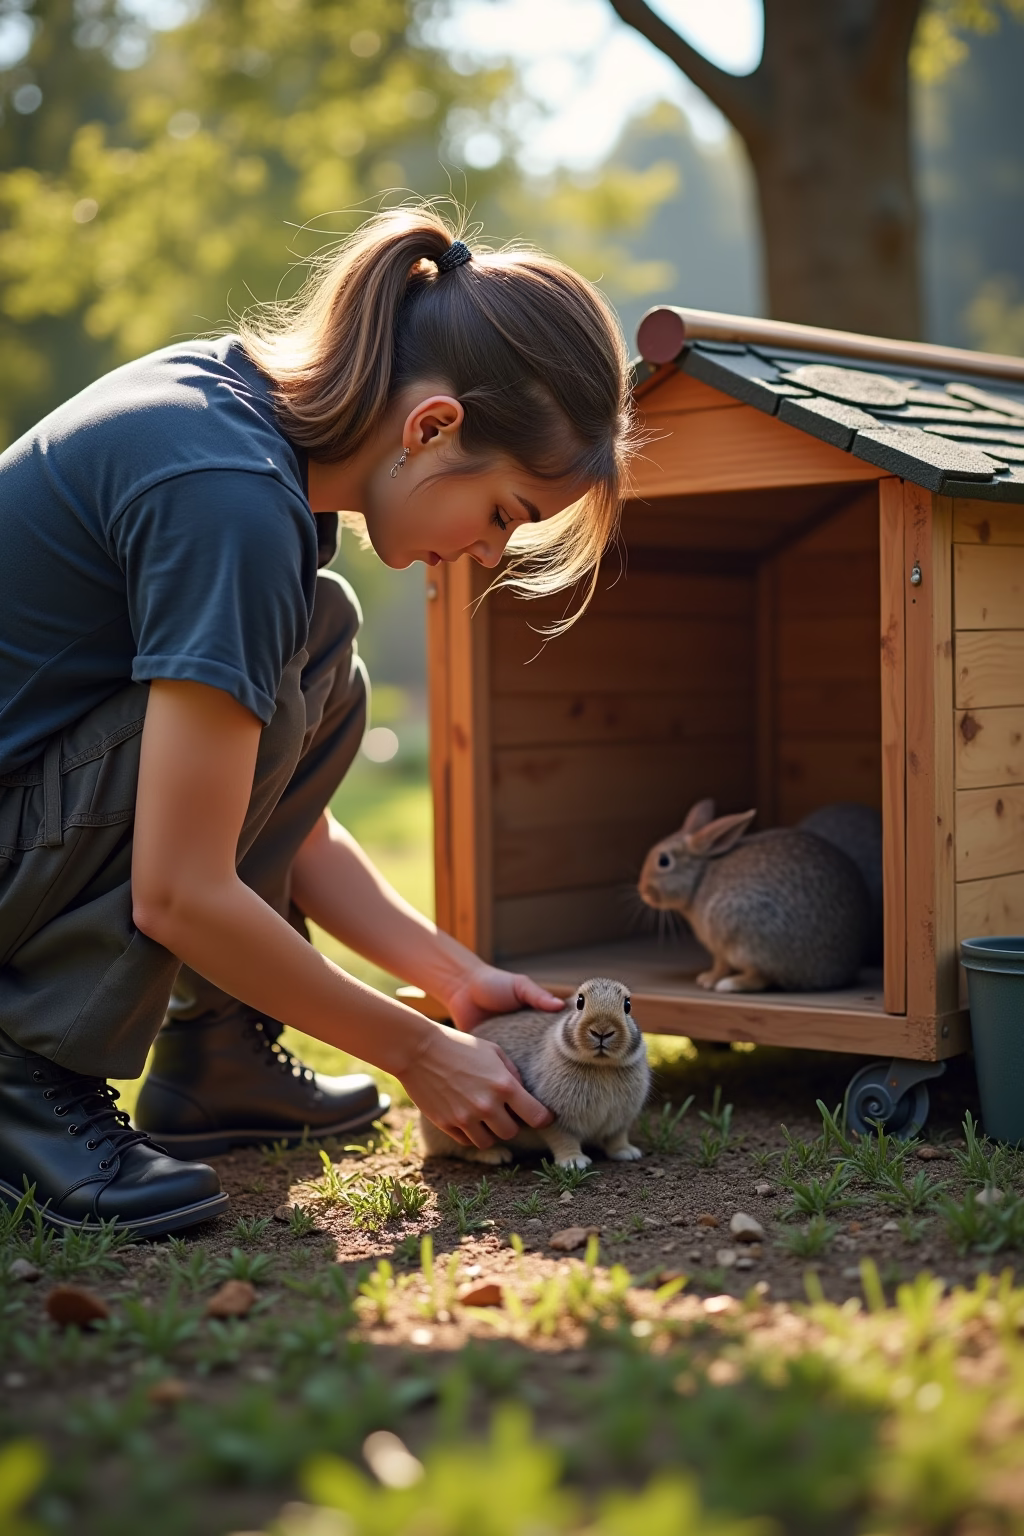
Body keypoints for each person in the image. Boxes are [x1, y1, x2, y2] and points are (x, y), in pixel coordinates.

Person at [0, 207, 635, 1236]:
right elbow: (180, 889)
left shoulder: (240, 435)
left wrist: (452, 979)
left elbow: (268, 814)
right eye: (506, 516)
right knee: (307, 643)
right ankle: (23, 1075)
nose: (485, 554)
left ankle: (219, 1059)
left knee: (316, 648)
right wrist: (419, 1052)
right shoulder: (229, 501)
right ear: (432, 428)